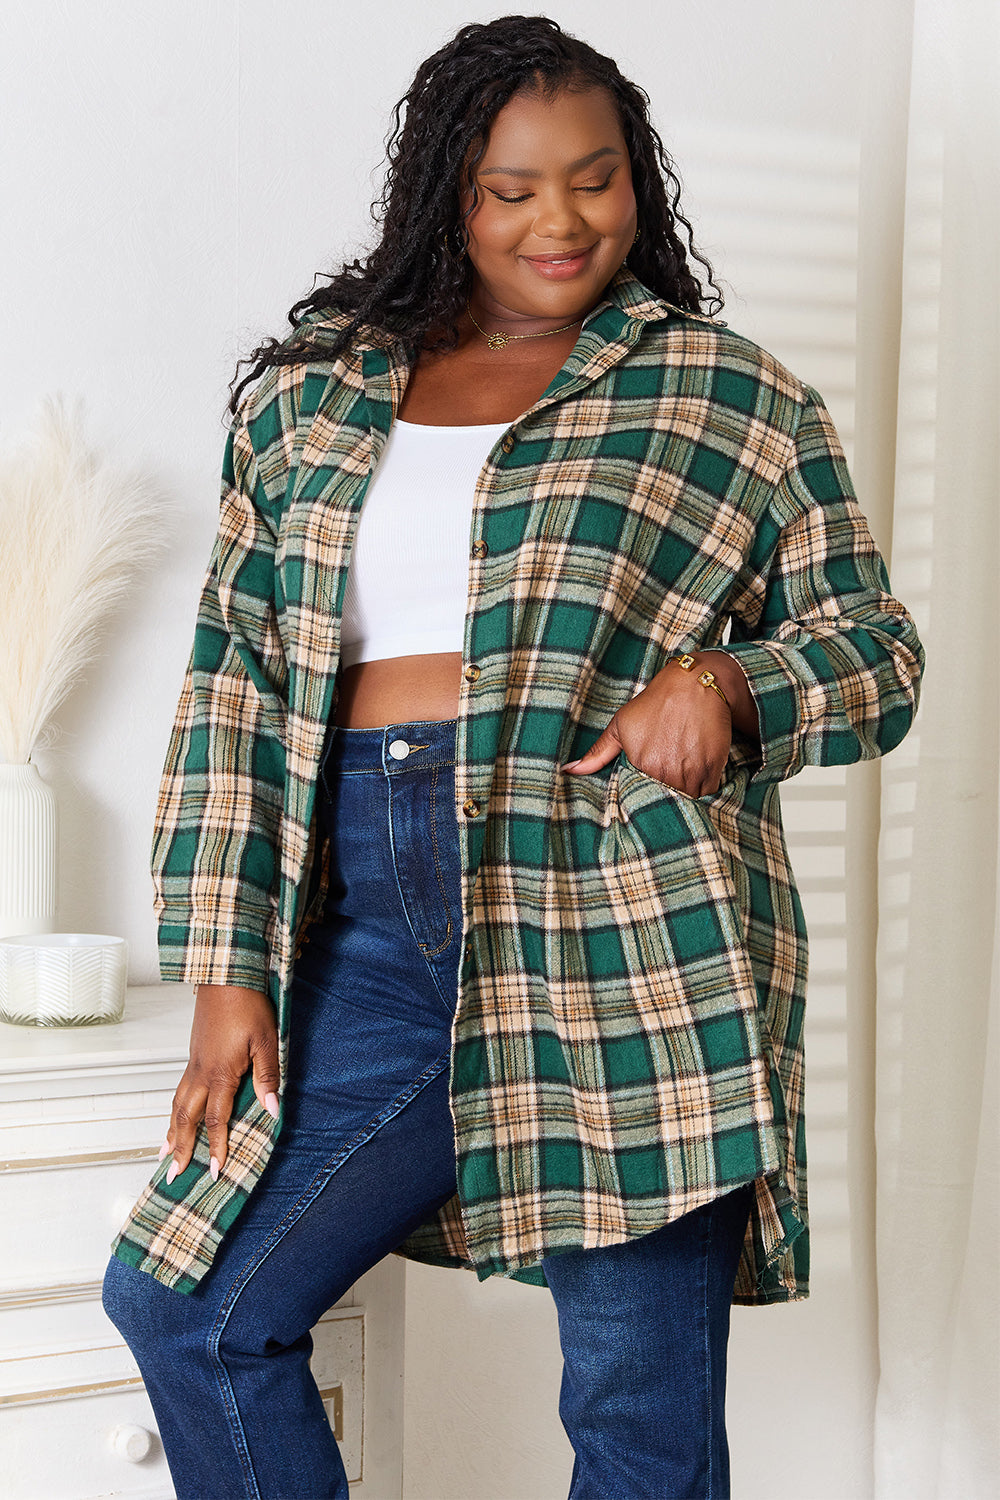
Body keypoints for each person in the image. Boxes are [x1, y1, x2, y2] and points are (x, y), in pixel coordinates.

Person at [102, 14, 924, 1499]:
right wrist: (228, 967)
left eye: (596, 180)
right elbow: (231, 688)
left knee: (637, 1419)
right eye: (513, 189)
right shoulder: (312, 400)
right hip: (360, 911)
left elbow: (878, 650)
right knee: (191, 1306)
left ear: (641, 184)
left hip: (621, 910)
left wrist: (732, 683)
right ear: (448, 198)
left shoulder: (731, 400)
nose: (563, 221)